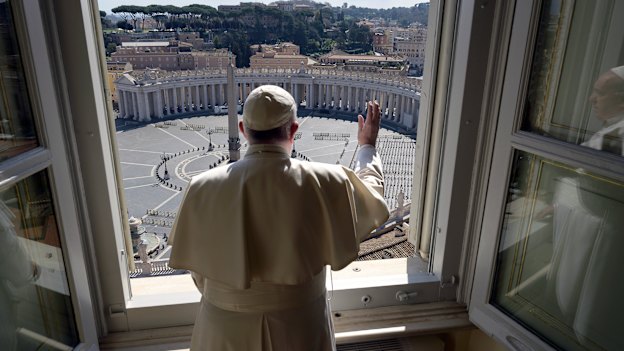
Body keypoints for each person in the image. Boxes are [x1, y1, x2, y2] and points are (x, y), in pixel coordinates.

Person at [169, 85, 390, 350]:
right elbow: (372, 195)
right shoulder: (328, 180)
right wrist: (367, 146)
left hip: (222, 330)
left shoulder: (201, 187)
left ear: (242, 129)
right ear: (294, 130)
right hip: (300, 327)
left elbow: (198, 273)